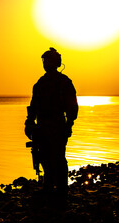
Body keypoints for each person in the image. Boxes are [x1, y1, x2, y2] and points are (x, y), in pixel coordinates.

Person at [25, 47, 78, 197]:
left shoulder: (64, 82)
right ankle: (48, 187)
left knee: (58, 157)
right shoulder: (40, 83)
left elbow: (72, 107)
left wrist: (69, 124)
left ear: (55, 63)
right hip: (42, 126)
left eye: (48, 60)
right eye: (44, 61)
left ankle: (61, 190)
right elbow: (34, 105)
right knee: (44, 157)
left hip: (58, 125)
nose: (45, 63)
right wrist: (29, 123)